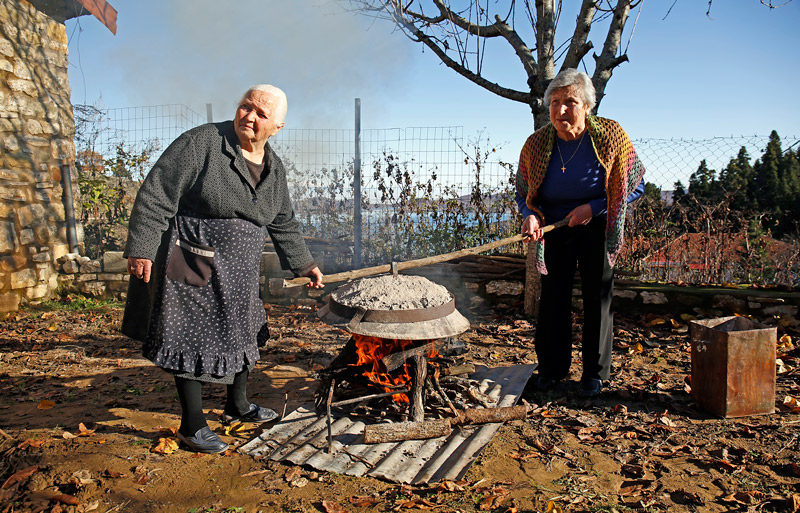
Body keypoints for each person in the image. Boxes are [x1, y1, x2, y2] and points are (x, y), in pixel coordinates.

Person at [121, 84, 324, 453]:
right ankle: (192, 425)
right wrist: (142, 249)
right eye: (246, 107)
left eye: (261, 114)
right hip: (192, 253)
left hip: (240, 267)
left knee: (242, 327)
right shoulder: (201, 143)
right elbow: (156, 193)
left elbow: (283, 221)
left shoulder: (273, 168)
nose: (249, 116)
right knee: (189, 332)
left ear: (277, 126)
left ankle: (237, 406)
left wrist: (304, 264)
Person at [515, 69, 645, 398]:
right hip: (554, 228)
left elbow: (635, 184)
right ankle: (551, 370)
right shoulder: (535, 145)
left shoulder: (611, 136)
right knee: (553, 300)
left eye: (569, 102)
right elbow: (523, 191)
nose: (560, 111)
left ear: (586, 105)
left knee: (596, 298)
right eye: (554, 102)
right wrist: (530, 216)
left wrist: (595, 207)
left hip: (597, 226)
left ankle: (595, 374)